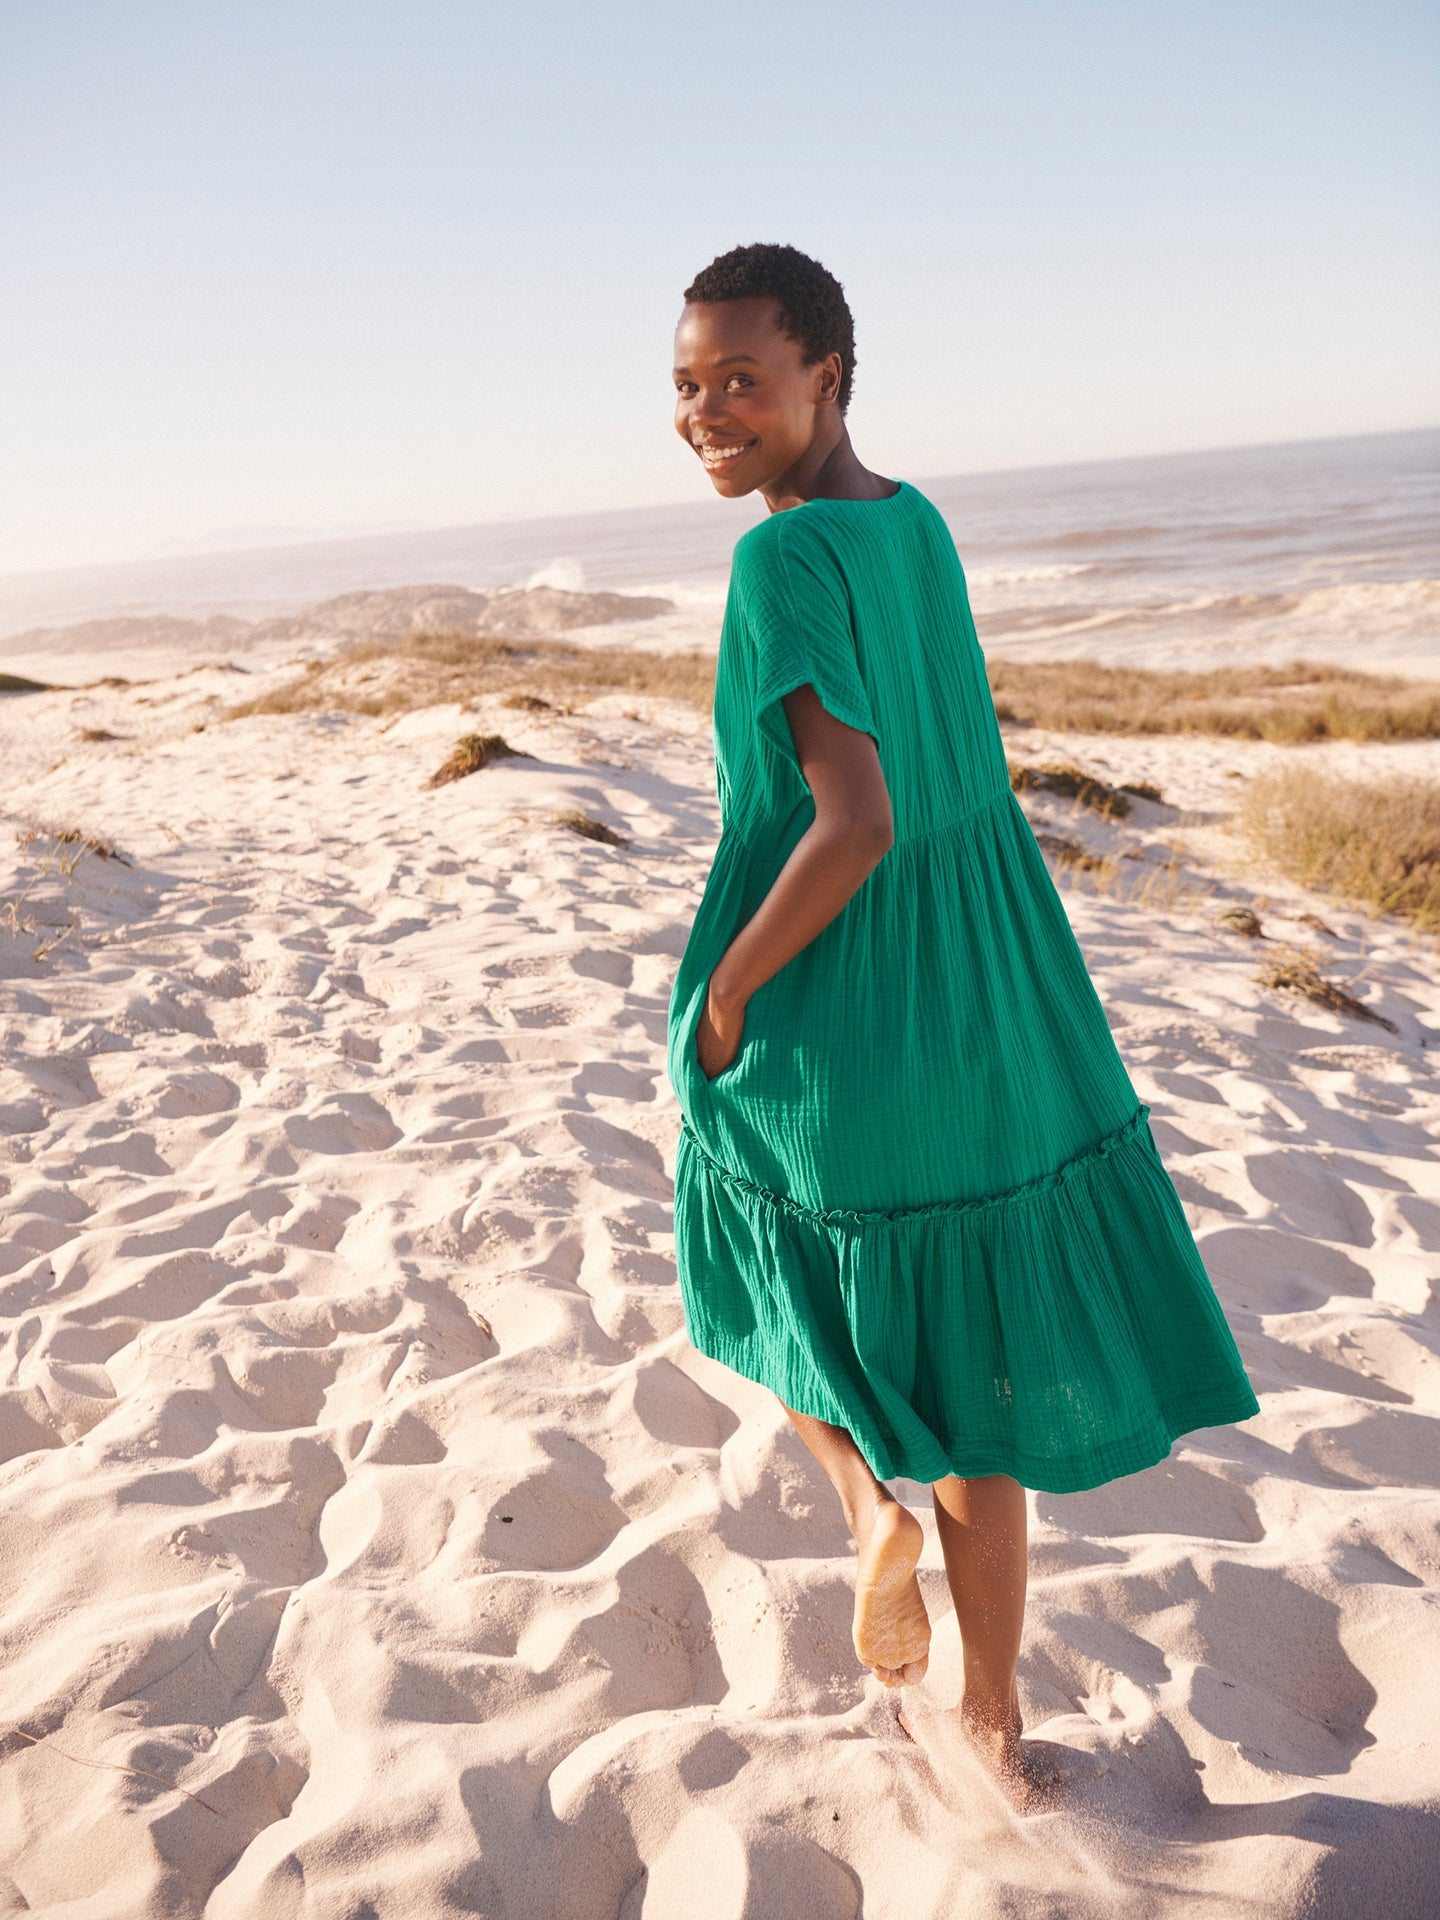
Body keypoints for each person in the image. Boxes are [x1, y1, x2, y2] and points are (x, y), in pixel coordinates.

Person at [665, 242, 1259, 1809]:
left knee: (764, 1251)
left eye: (742, 379)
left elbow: (851, 820)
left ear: (827, 378)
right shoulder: (914, 523)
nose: (710, 412)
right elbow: (943, 781)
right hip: (989, 988)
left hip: (843, 988)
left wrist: (728, 989)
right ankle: (992, 1724)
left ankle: (865, 1503)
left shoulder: (779, 561)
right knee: (981, 1362)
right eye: (687, 385)